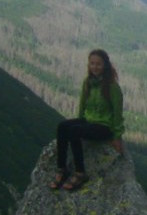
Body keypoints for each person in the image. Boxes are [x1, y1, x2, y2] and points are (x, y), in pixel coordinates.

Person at [52, 48, 125, 191]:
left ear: (105, 66)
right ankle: (61, 169)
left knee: (73, 132)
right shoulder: (88, 83)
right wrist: (79, 121)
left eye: (98, 64)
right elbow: (82, 104)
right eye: (92, 63)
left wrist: (117, 137)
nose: (95, 67)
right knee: (62, 126)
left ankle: (80, 173)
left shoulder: (112, 87)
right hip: (89, 120)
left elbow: (117, 113)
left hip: (104, 126)